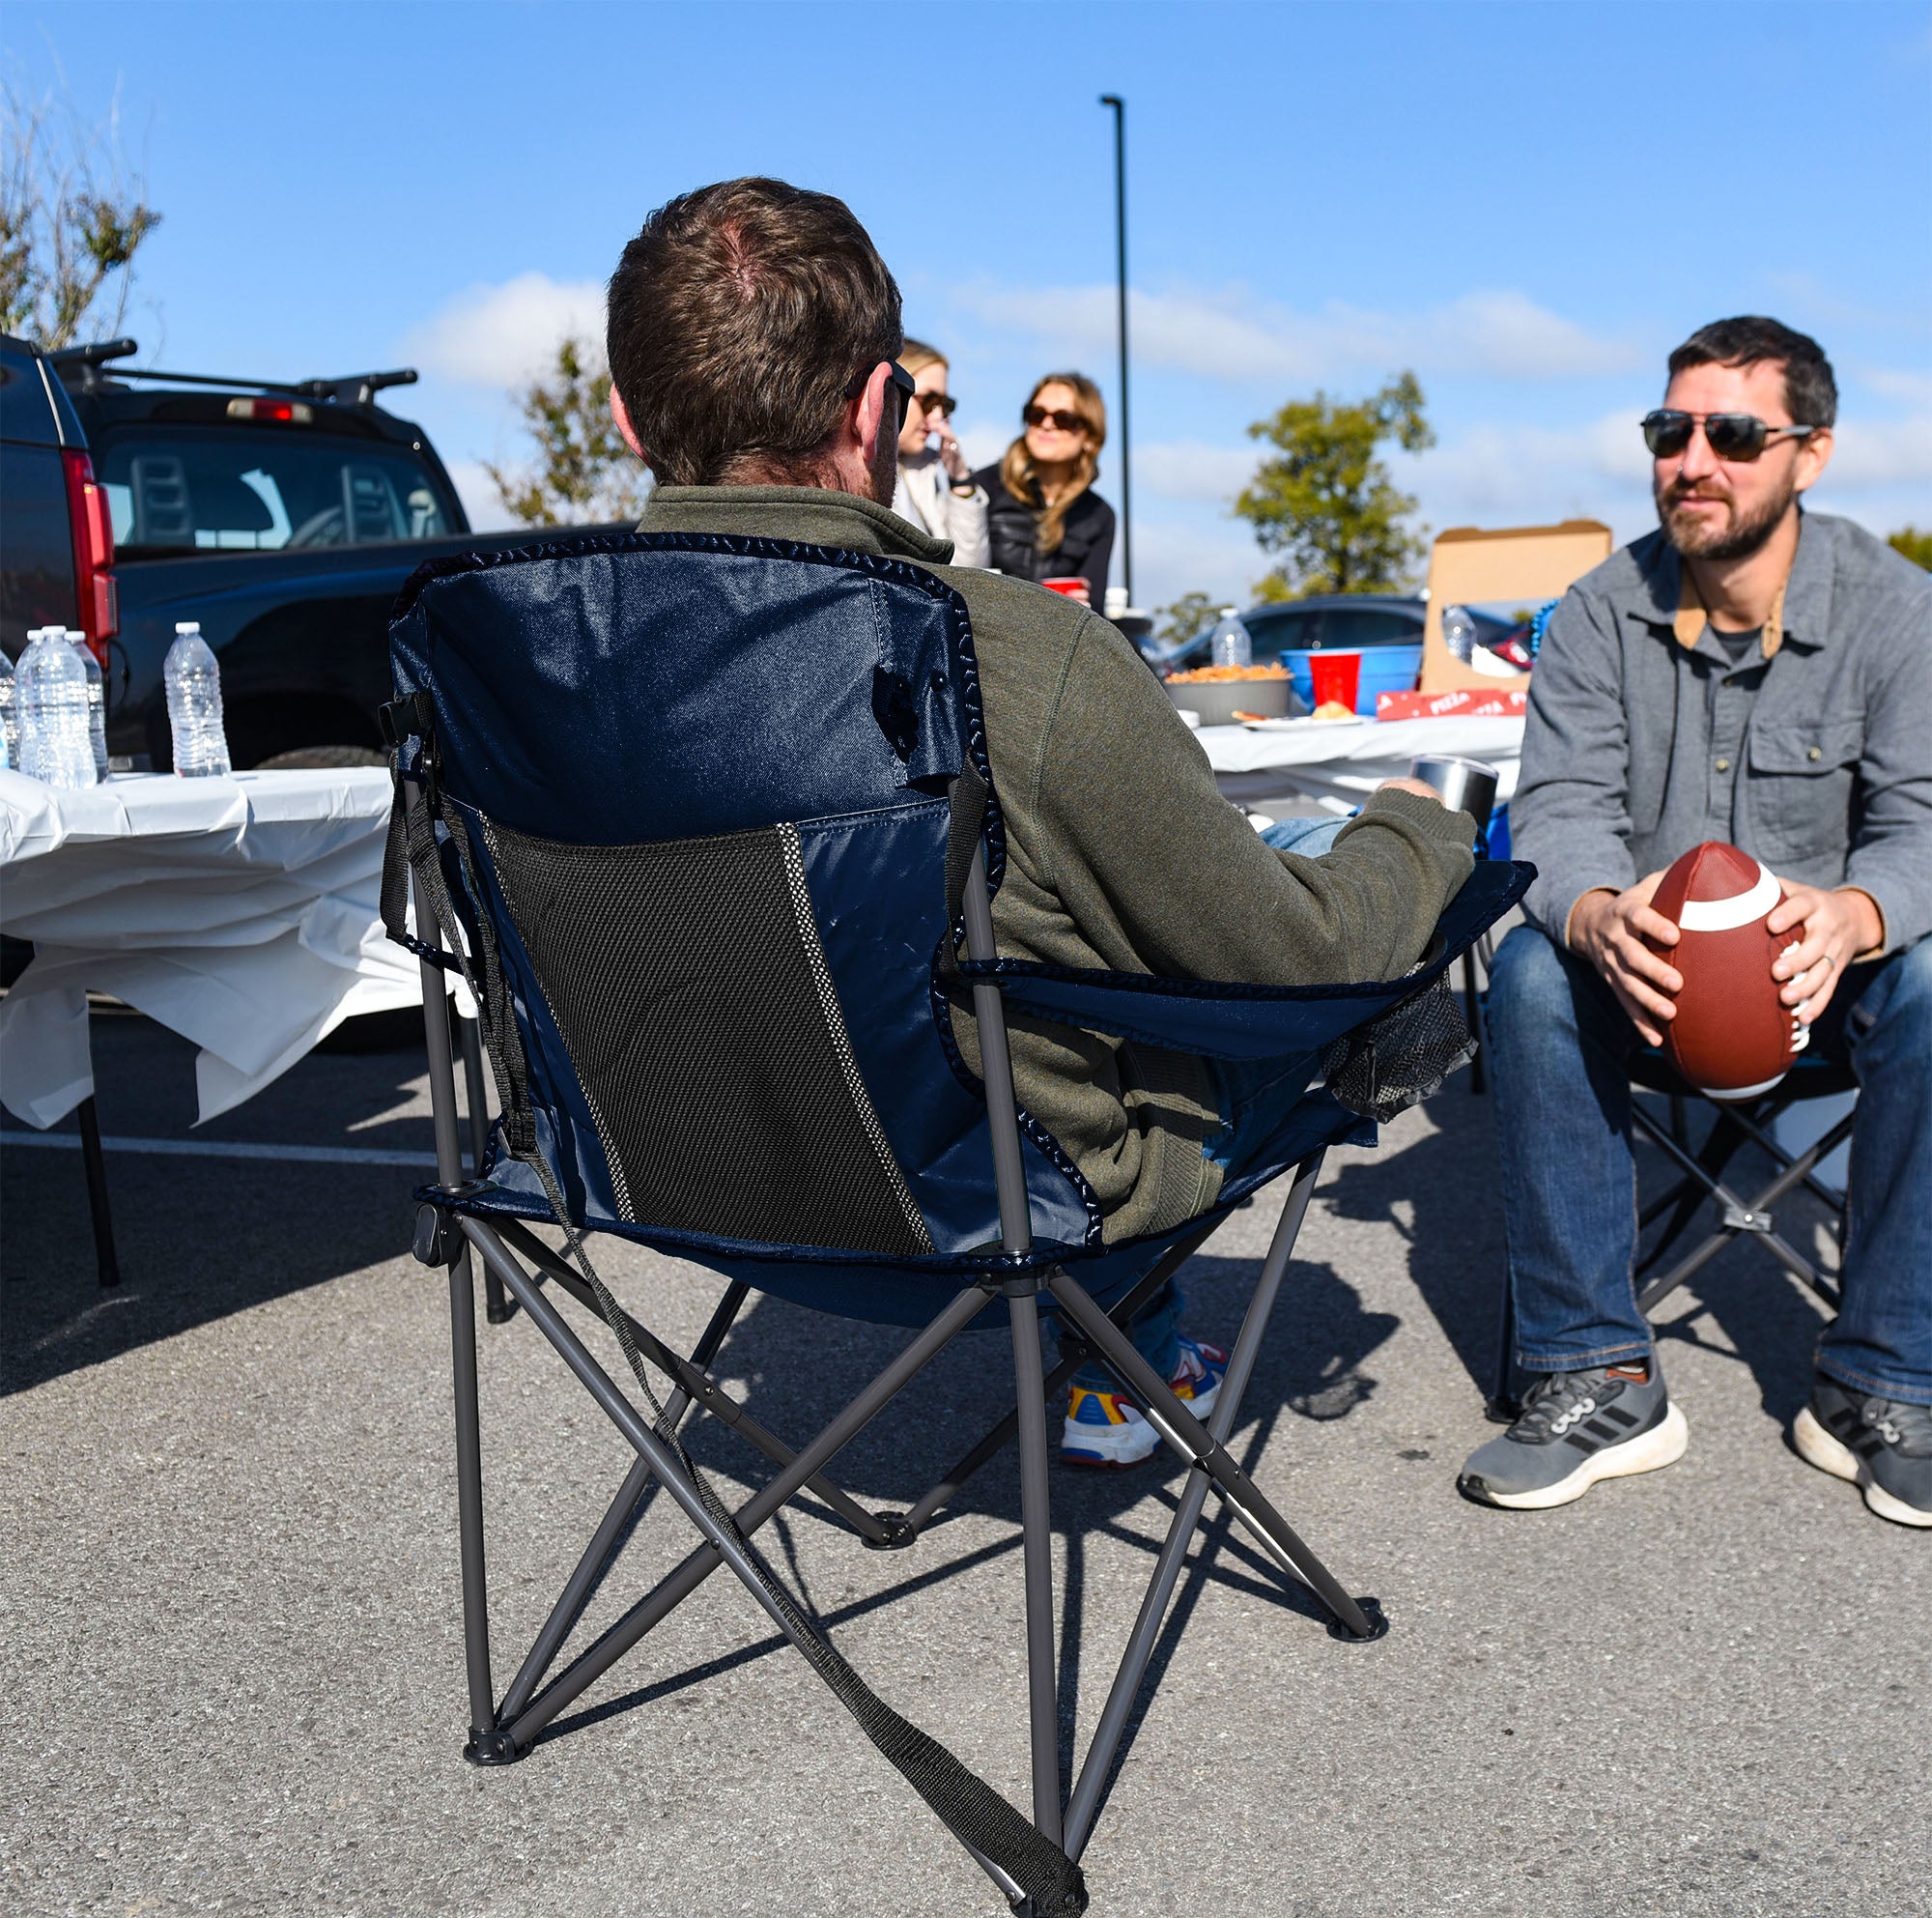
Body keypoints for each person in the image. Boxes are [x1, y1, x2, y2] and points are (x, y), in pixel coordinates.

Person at [604, 178, 1477, 1466]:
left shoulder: (536, 667)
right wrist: (1419, 836)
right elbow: (1288, 961)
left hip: (669, 1175)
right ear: (876, 408)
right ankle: (1127, 1351)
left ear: (626, 418)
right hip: (996, 1202)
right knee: (1341, 921)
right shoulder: (1011, 654)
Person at [1462, 316, 1932, 1528]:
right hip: (1647, 986)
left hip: (1824, 987)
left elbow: (1922, 820)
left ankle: (1883, 1380)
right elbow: (1555, 805)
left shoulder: (1892, 609)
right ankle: (1594, 1371)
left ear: (1808, 453)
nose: (1691, 460)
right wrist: (1596, 908)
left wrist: (1858, 911)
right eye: (1670, 431)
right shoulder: (1597, 610)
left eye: (1730, 433)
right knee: (1527, 966)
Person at [974, 373, 1115, 611]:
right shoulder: (985, 486)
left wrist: (1081, 606)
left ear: (1090, 438)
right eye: (1036, 415)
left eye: (1064, 419)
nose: (1047, 425)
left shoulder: (1099, 515)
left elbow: (1096, 609)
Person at [890, 338, 989, 566]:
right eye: (928, 401)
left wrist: (960, 480)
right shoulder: (853, 466)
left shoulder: (929, 469)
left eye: (944, 405)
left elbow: (971, 571)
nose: (937, 418)